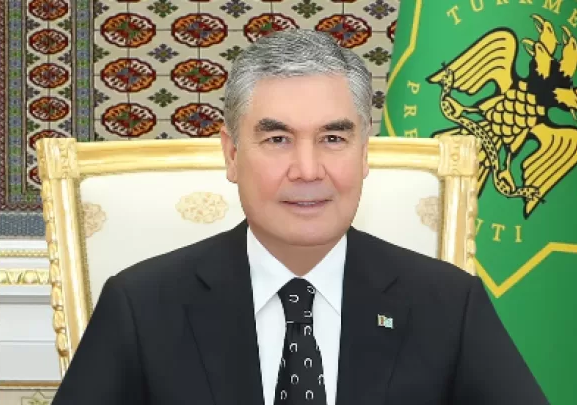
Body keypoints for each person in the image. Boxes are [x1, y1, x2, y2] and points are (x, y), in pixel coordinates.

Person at [51, 29, 549, 405]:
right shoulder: (140, 307)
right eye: (277, 139)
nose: (308, 170)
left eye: (333, 139)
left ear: (364, 153)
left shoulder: (449, 305)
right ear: (231, 154)